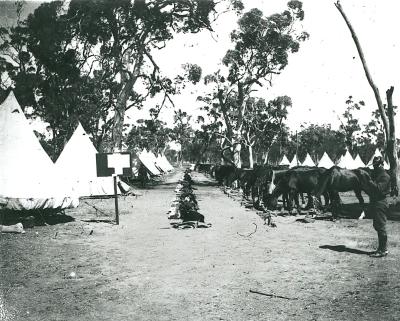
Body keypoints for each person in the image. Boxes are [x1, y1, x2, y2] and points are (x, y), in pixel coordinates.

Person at [367, 156, 391, 258]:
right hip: (375, 202)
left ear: (381, 165)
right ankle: (381, 248)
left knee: (380, 226)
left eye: (376, 165)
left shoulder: (384, 176)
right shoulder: (377, 174)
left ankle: (383, 250)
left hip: (380, 203)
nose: (375, 167)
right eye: (374, 166)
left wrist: (369, 181)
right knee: (377, 226)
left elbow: (378, 189)